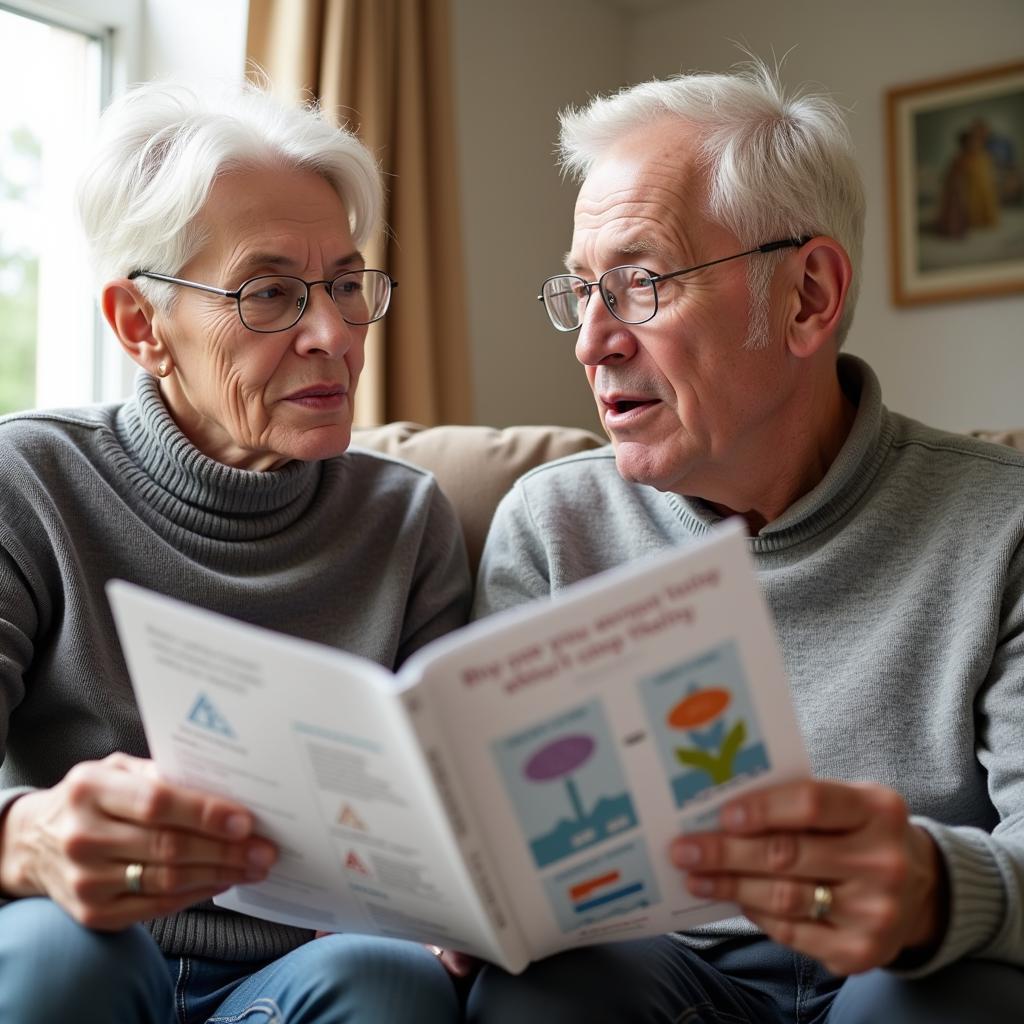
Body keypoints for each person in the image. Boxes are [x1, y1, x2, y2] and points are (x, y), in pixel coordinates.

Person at [459, 62, 1024, 1021]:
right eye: (580, 291)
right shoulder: (554, 527)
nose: (591, 341)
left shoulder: (1001, 528)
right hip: (655, 976)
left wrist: (931, 887)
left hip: (900, 972)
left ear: (807, 296)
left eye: (638, 283)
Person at [0, 81, 470, 1023]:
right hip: (86, 946)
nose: (333, 335)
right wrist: (22, 834)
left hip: (307, 975)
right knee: (64, 953)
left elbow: (445, 815)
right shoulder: (30, 479)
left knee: (388, 980)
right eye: (269, 293)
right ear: (142, 327)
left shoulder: (406, 520)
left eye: (346, 283)